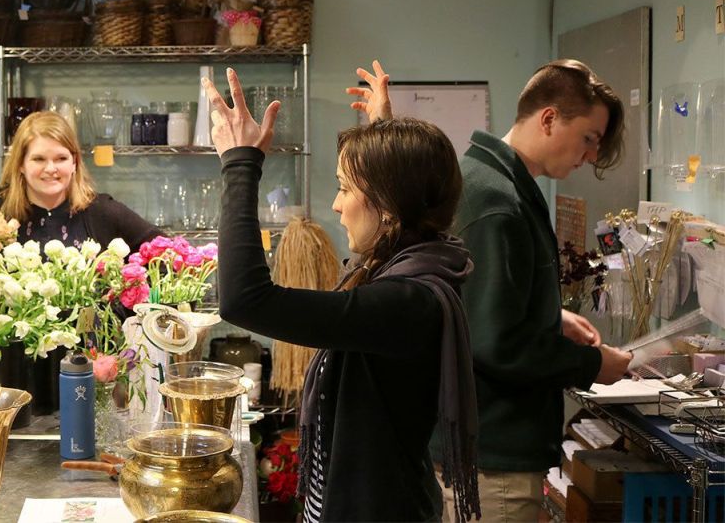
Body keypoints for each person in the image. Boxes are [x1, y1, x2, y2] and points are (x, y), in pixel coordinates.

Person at [351, 59, 633, 522]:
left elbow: (469, 296)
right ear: (548, 119)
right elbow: (493, 344)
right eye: (588, 138)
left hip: (479, 450)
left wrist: (548, 315)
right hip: (492, 458)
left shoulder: (487, 180)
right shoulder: (496, 201)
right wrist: (592, 365)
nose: (589, 157)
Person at [203, 68, 481, 522]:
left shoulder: (408, 303)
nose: (335, 204)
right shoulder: (412, 265)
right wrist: (382, 141)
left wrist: (240, 164)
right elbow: (394, 209)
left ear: (389, 208)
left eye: (344, 188)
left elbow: (245, 299)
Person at [0, 110, 159, 250]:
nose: (51, 169)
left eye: (61, 158)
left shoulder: (101, 211)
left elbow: (168, 252)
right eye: (39, 159)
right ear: (21, 164)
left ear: (74, 162)